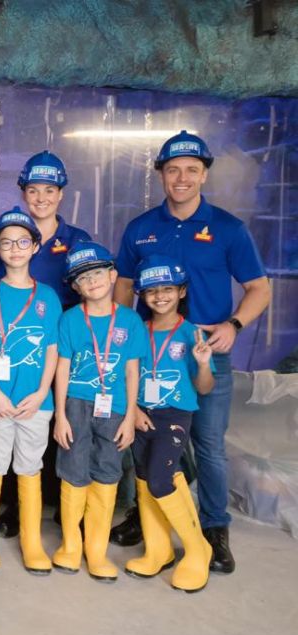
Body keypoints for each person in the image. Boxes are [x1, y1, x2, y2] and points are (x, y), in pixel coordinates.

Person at [114, 130, 271, 573]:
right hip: (151, 353)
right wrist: (124, 338)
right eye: (172, 170)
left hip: (205, 352)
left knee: (207, 445)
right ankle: (149, 522)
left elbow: (259, 288)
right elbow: (125, 284)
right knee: (146, 438)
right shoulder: (141, 229)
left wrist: (234, 324)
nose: (181, 178)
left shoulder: (228, 229)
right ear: (161, 174)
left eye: (191, 170)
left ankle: (214, 529)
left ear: (203, 174)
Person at [0, 152, 92, 539]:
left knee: (67, 423)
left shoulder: (77, 240)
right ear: (23, 192)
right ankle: (15, 506)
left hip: (68, 351)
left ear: (61, 194)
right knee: (17, 421)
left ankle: (67, 504)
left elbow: (94, 294)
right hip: (19, 354)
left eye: (49, 190)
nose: (41, 198)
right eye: (33, 190)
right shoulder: (10, 237)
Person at [0, 208, 62, 575]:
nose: (15, 249)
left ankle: (31, 542)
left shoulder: (50, 297)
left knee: (29, 469)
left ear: (35, 246)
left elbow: (53, 350)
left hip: (35, 404)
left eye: (23, 241)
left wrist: (42, 393)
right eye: (6, 243)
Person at [52, 241, 146, 582]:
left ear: (113, 274)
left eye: (97, 273)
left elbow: (133, 371)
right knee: (73, 469)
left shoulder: (131, 321)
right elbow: (62, 368)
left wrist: (132, 415)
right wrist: (60, 415)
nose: (92, 282)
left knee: (107, 471)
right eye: (83, 278)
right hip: (76, 403)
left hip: (115, 406)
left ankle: (96, 550)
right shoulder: (70, 320)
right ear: (75, 287)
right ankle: (70, 546)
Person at [124, 254, 214, 592]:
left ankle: (197, 549)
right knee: (146, 481)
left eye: (167, 289)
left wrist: (203, 364)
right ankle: (158, 550)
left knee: (162, 480)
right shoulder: (136, 329)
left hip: (174, 415)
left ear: (181, 292)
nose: (159, 296)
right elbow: (128, 375)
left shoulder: (192, 334)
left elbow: (204, 388)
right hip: (141, 412)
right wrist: (132, 410)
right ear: (142, 295)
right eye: (151, 291)